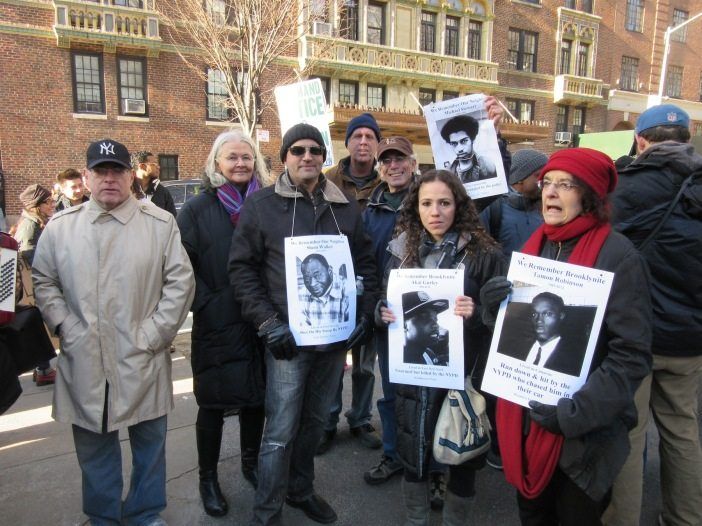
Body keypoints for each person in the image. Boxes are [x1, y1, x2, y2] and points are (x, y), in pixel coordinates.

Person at [480, 147, 652, 525]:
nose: (551, 193)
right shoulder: (535, 246)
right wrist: (495, 310)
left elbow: (631, 355)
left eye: (566, 185)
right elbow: (517, 334)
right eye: (547, 183)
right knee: (532, 515)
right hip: (526, 420)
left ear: (589, 195)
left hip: (582, 439)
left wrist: (576, 413)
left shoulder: (618, 255)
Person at [32, 138, 195, 526]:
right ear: (86, 177)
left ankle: (144, 512)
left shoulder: (159, 224)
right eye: (100, 171)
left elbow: (180, 283)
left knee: (149, 445)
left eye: (117, 171)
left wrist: (154, 335)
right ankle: (103, 516)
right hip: (84, 356)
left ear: (129, 176)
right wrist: (66, 327)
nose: (109, 179)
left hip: (143, 356)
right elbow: (43, 280)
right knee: (94, 448)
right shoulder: (59, 229)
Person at [228, 123, 377, 525]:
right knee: (279, 430)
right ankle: (267, 511)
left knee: (313, 423)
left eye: (315, 149)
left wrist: (363, 313)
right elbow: (242, 271)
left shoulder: (345, 206)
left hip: (332, 341)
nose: (307, 156)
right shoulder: (261, 207)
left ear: (324, 156)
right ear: (285, 157)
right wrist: (268, 323)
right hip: (287, 341)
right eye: (298, 150)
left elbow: (364, 265)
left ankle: (301, 489)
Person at [376, 169, 504, 526]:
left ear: (458, 206)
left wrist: (478, 313)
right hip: (413, 376)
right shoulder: (401, 250)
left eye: (444, 203)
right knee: (413, 452)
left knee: (462, 455)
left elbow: (504, 321)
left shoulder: (485, 254)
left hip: (461, 376)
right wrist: (380, 311)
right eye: (426, 203)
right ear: (415, 207)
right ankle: (416, 520)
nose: (435, 212)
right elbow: (385, 299)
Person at [603, 104, 702, 526]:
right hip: (690, 338)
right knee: (683, 432)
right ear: (687, 140)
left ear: (641, 140)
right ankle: (685, 518)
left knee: (628, 432)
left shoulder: (625, 188)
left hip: (634, 337)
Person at [176, 130, 267, 517]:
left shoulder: (267, 203)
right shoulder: (197, 209)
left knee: (255, 400)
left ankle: (250, 463)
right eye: (232, 157)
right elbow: (181, 268)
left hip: (261, 320)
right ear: (217, 164)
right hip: (217, 321)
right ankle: (208, 478)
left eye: (247, 157)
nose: (241, 164)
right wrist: (207, 303)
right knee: (212, 404)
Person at [320, 112, 382, 454]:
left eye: (369, 137)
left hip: (371, 279)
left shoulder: (389, 181)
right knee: (332, 362)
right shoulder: (328, 180)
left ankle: (360, 418)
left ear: (376, 144)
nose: (363, 142)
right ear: (347, 143)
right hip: (334, 283)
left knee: (365, 364)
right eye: (357, 136)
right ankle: (328, 421)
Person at [362, 136, 417, 486]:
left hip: (429, 311)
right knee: (393, 392)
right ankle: (394, 454)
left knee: (432, 391)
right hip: (389, 315)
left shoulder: (432, 198)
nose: (393, 166)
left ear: (413, 163)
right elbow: (365, 265)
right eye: (387, 161)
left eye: (400, 159)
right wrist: (373, 304)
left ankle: (435, 467)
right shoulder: (371, 210)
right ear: (380, 168)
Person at [13, 183, 56, 385]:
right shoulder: (30, 225)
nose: (52, 204)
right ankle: (44, 369)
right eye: (48, 201)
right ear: (37, 205)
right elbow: (28, 257)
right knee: (40, 326)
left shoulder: (36, 221)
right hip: (36, 286)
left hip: (39, 284)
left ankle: (43, 368)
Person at [480, 149, 546, 258]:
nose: (543, 182)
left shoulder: (545, 209)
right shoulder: (492, 207)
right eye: (538, 175)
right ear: (520, 178)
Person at [439, 114, 497, 183]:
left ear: (473, 140)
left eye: (463, 141)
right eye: (454, 144)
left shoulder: (487, 166)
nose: (460, 149)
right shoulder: (448, 173)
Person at [299, 253, 350, 325]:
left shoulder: (347, 288)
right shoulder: (301, 294)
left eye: (317, 275)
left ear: (330, 271)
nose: (312, 284)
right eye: (307, 278)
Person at [402, 291, 450, 366]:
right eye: (425, 318)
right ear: (404, 324)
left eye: (435, 319)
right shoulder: (393, 358)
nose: (436, 325)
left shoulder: (429, 354)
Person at [132, 151, 177, 217]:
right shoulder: (127, 191)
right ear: (142, 166)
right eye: (154, 164)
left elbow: (172, 219)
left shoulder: (163, 192)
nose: (158, 167)